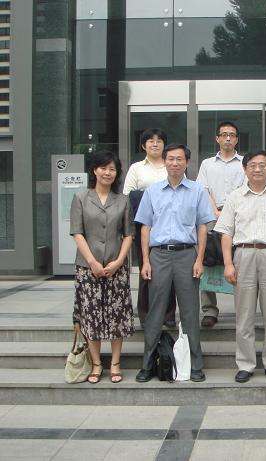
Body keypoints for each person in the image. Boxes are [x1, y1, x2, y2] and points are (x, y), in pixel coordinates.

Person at [134, 143, 215, 383]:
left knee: (190, 311)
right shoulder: (152, 191)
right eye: (170, 159)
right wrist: (145, 261)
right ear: (165, 161)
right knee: (155, 311)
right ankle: (148, 364)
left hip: (186, 255)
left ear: (187, 163)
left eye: (180, 159)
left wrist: (199, 259)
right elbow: (145, 228)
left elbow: (202, 227)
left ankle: (195, 364)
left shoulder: (197, 191)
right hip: (158, 255)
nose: (175, 163)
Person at [215, 150, 266, 383]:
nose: (258, 169)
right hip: (243, 255)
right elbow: (225, 233)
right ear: (245, 169)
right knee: (244, 316)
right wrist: (228, 263)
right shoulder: (235, 197)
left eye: (262, 165)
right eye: (252, 165)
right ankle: (246, 364)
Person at [70, 151, 135, 384]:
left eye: (112, 169)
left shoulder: (123, 200)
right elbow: (77, 232)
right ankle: (96, 364)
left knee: (117, 315)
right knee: (91, 315)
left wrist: (118, 262)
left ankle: (115, 363)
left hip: (116, 268)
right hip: (87, 267)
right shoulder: (80, 198)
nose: (108, 173)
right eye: (103, 168)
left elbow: (128, 234)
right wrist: (93, 262)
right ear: (94, 170)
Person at [123, 128, 177, 328]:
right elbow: (127, 196)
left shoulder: (171, 165)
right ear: (143, 145)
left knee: (170, 270)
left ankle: (168, 314)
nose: (155, 144)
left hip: (169, 224)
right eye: (150, 141)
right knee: (146, 268)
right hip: (144, 225)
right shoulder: (136, 168)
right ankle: (145, 312)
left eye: (159, 140)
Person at [195, 121, 245, 328]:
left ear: (237, 139)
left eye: (232, 135)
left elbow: (245, 189)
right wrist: (215, 211)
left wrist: (229, 210)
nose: (228, 138)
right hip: (210, 215)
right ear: (217, 138)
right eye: (224, 134)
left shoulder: (244, 163)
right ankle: (209, 310)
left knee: (239, 260)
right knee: (206, 259)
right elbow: (203, 189)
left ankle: (242, 309)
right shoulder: (207, 164)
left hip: (239, 216)